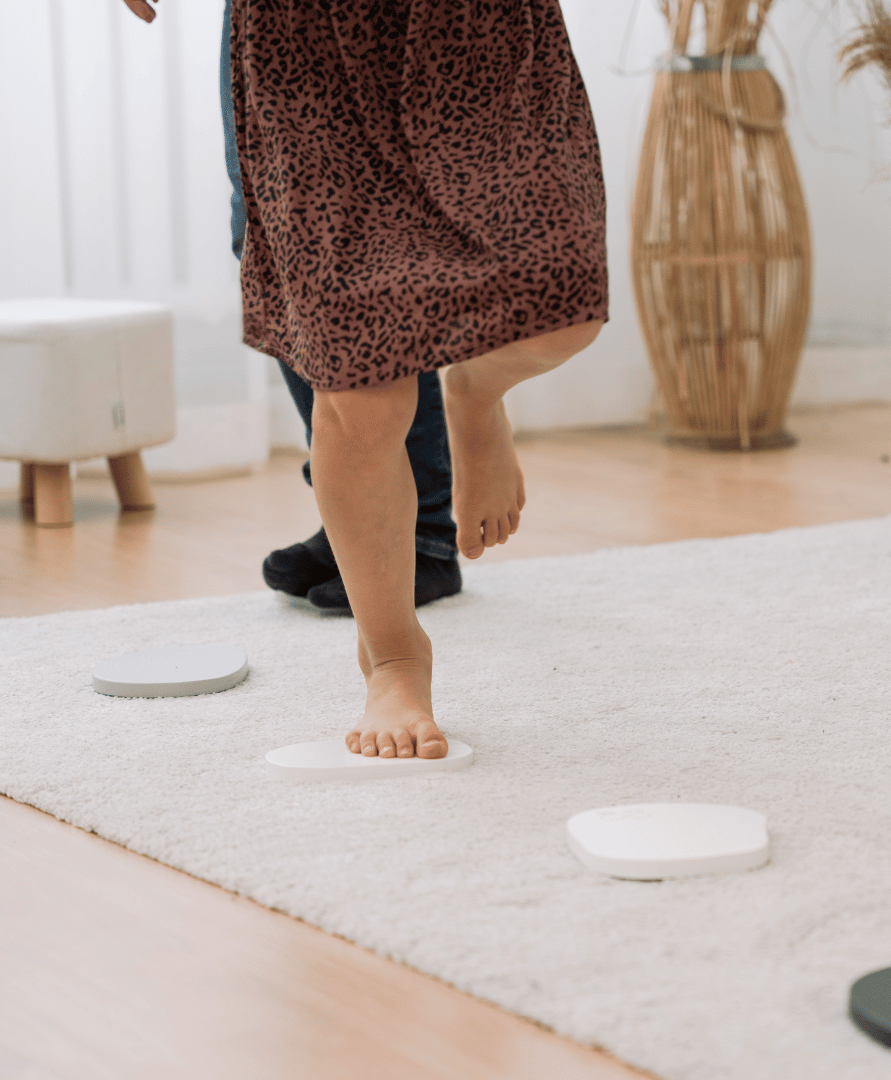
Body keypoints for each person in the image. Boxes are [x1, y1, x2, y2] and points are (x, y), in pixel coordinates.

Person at [125, 0, 608, 760]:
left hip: (475, 23)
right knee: (355, 382)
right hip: (309, 35)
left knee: (563, 300)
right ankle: (393, 658)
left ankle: (475, 395)